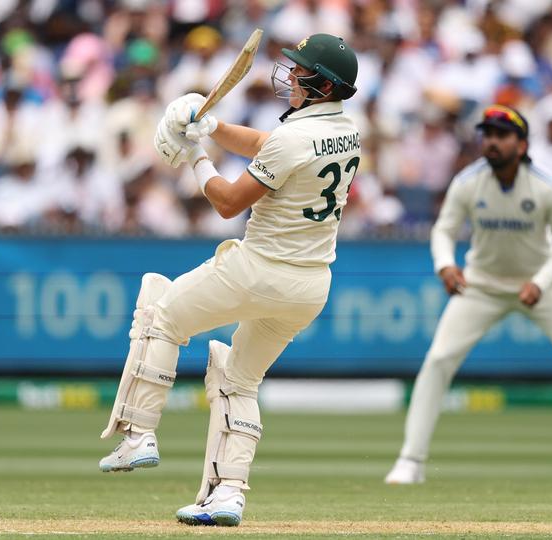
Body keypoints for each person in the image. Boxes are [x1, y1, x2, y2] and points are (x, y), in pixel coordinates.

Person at [98, 33, 361, 526]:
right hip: (310, 286)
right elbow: (268, 146)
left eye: (301, 71)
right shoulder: (345, 131)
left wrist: (193, 155)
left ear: (323, 85)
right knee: (239, 379)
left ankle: (138, 434)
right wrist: (212, 126)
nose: (291, 76)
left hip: (259, 269)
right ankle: (228, 495)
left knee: (162, 313)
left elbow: (227, 203)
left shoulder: (293, 138)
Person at [384, 105, 552, 486]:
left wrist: (540, 281)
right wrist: (445, 265)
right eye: (487, 134)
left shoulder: (547, 187)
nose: (491, 142)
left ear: (521, 145)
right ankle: (411, 461)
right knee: (439, 358)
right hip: (481, 286)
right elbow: (443, 231)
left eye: (501, 135)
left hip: (543, 287)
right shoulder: (467, 182)